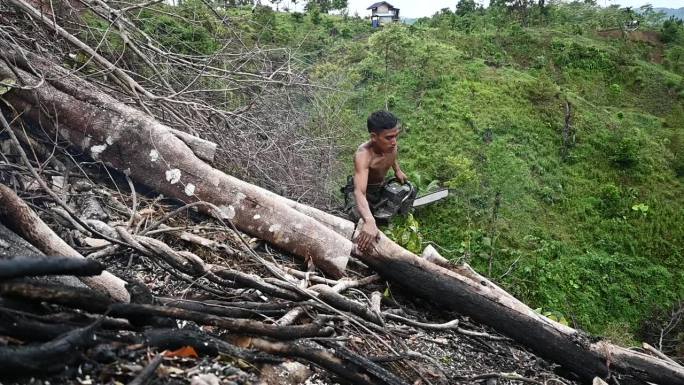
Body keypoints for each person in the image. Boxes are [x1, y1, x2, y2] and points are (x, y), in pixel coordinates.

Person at [342, 110, 409, 252]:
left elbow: (392, 157)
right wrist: (369, 220)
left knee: (401, 196)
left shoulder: (390, 145)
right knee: (359, 225)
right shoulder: (364, 155)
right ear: (374, 137)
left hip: (379, 186)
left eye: (396, 136)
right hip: (361, 190)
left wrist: (397, 170)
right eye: (389, 137)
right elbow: (359, 192)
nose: (394, 142)